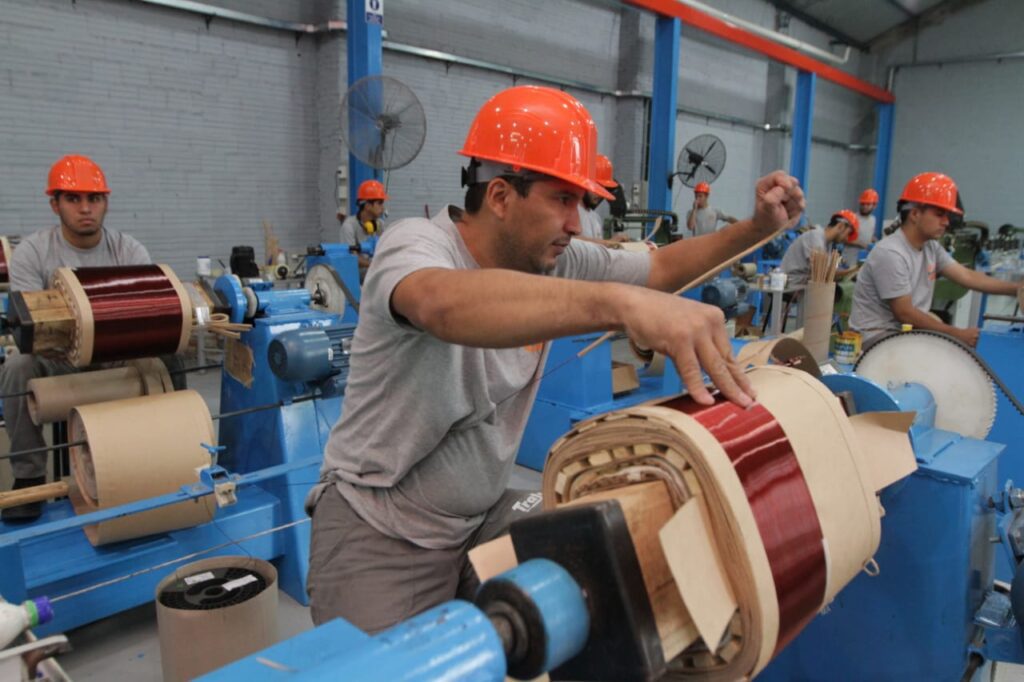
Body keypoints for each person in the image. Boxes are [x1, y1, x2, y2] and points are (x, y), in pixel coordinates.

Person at [305, 84, 805, 633]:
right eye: (562, 200)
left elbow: (660, 270)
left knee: (615, 561)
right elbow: (439, 304)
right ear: (500, 196)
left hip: (477, 518)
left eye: (580, 204)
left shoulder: (551, 260)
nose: (577, 224)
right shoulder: (417, 243)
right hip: (381, 529)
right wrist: (619, 304)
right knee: (385, 669)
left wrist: (757, 228)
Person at [1, 154, 151, 522]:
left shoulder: (128, 250)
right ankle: (29, 478)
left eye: (94, 198)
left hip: (115, 360)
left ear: (105, 202)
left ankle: (158, 458)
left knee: (166, 362)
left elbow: (144, 314)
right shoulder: (33, 252)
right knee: (17, 367)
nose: (85, 208)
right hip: (59, 361)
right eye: (73, 198)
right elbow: (32, 325)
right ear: (55, 204)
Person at [850, 172, 1021, 348]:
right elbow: (905, 313)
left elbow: (967, 276)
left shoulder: (930, 247)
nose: (946, 222)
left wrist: (1016, 288)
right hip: (877, 338)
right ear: (915, 214)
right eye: (940, 214)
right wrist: (957, 334)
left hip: (905, 334)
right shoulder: (891, 253)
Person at [781, 210, 857, 287]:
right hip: (792, 285)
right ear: (841, 226)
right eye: (848, 233)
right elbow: (822, 274)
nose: (846, 238)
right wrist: (850, 271)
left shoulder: (827, 244)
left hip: (803, 285)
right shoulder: (815, 237)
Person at [339, 179, 388, 277]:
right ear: (368, 206)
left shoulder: (380, 224)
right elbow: (352, 256)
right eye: (380, 203)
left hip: (374, 271)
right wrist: (374, 265)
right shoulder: (349, 226)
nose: (383, 208)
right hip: (356, 275)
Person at [576, 154, 617, 240]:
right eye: (596, 186)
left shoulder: (595, 217)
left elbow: (594, 248)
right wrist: (610, 243)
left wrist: (613, 244)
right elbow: (572, 242)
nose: (599, 193)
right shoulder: (572, 214)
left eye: (603, 188)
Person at [842, 188, 878, 267]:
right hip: (850, 260)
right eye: (863, 204)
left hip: (864, 259)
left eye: (868, 204)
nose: (864, 207)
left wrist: (876, 242)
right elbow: (843, 238)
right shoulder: (853, 218)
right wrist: (862, 244)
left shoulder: (873, 220)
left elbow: (870, 235)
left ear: (874, 205)